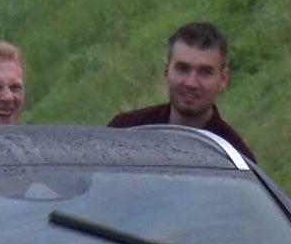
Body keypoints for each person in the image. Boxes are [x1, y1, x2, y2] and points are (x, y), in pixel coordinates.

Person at [108, 21, 256, 162]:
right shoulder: (125, 133)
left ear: (223, 79)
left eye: (205, 72)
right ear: (167, 72)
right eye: (182, 69)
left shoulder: (235, 158)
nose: (191, 83)